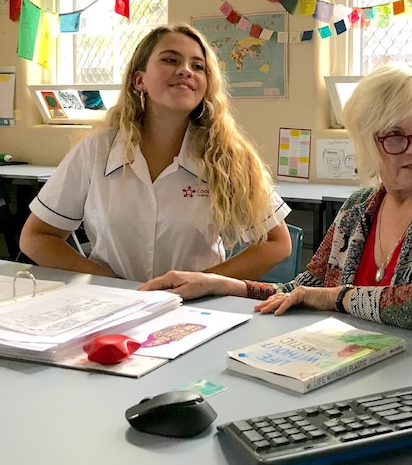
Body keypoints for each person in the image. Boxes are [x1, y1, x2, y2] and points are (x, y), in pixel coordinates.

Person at [140, 62, 412, 334]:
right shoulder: (359, 208)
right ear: (366, 144)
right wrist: (226, 285)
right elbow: (304, 291)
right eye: (394, 136)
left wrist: (338, 297)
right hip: (345, 363)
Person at [20, 23, 292, 282]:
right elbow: (37, 237)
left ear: (205, 85)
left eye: (198, 66)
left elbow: (276, 242)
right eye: (170, 60)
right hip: (110, 309)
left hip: (197, 309)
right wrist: (110, 285)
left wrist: (206, 282)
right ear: (139, 80)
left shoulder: (227, 155)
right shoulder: (97, 149)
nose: (186, 70)